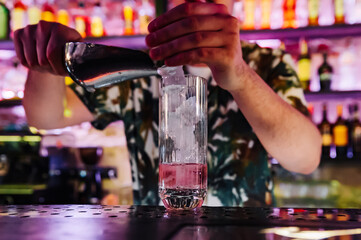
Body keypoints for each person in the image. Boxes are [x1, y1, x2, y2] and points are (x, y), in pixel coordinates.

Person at [13, 0, 322, 206]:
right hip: (155, 231)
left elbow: (306, 159)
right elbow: (48, 117)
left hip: (246, 233)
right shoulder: (141, 68)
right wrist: (45, 66)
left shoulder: (266, 63)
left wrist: (240, 77)